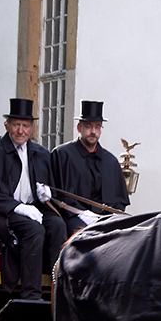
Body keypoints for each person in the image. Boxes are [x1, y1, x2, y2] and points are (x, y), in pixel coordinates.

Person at [0, 98, 66, 300]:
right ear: (7, 126)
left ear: (32, 128)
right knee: (34, 230)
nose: (21, 130)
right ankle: (31, 296)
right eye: (16, 125)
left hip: (35, 209)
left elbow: (48, 188)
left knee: (58, 225)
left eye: (25, 126)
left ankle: (58, 295)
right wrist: (16, 207)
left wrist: (46, 195)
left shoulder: (41, 153)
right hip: (4, 213)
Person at [50, 100, 130, 236]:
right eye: (88, 126)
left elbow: (119, 201)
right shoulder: (62, 154)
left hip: (106, 219)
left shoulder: (110, 161)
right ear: (79, 128)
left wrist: (112, 217)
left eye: (97, 127)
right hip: (73, 217)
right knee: (85, 236)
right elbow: (58, 196)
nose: (93, 131)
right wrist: (83, 214)